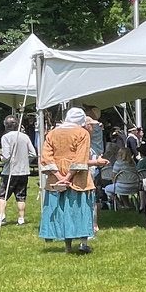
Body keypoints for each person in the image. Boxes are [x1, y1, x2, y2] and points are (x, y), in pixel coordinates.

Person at [39, 107, 104, 253]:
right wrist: (67, 178)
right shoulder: (82, 133)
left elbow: (46, 158)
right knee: (80, 209)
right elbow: (80, 159)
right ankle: (83, 244)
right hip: (78, 179)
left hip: (55, 179)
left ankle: (67, 247)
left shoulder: (52, 133)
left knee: (63, 210)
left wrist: (59, 177)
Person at [0, 115, 37, 228]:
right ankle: (21, 219)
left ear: (5, 125)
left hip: (10, 172)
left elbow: (6, 156)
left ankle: (1, 217)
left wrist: (1, 159)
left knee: (2, 195)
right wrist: (24, 160)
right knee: (21, 196)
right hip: (24, 171)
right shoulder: (25, 137)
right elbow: (33, 153)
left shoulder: (5, 137)